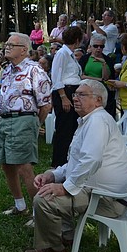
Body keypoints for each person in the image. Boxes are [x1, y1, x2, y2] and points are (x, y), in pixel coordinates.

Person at [27, 80, 127, 252]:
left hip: (108, 200)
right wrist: (52, 175)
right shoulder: (90, 120)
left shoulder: (98, 121)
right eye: (75, 94)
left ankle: (53, 248)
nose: (75, 98)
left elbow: (91, 160)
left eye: (82, 95)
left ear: (98, 100)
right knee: (52, 188)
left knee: (44, 199)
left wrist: (65, 187)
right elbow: (77, 162)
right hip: (100, 192)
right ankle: (66, 236)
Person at [0, 33, 52, 219]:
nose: (7, 47)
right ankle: (20, 205)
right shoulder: (8, 70)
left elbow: (45, 104)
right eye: (7, 44)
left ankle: (38, 213)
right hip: (5, 121)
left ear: (24, 50)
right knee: (6, 164)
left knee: (23, 166)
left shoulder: (34, 70)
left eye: (12, 45)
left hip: (23, 121)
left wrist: (35, 124)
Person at [50, 25, 84, 167]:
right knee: (64, 128)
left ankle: (67, 159)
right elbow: (56, 77)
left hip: (72, 90)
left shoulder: (70, 55)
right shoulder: (62, 54)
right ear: (77, 40)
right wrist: (64, 97)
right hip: (65, 92)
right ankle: (59, 161)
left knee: (70, 127)